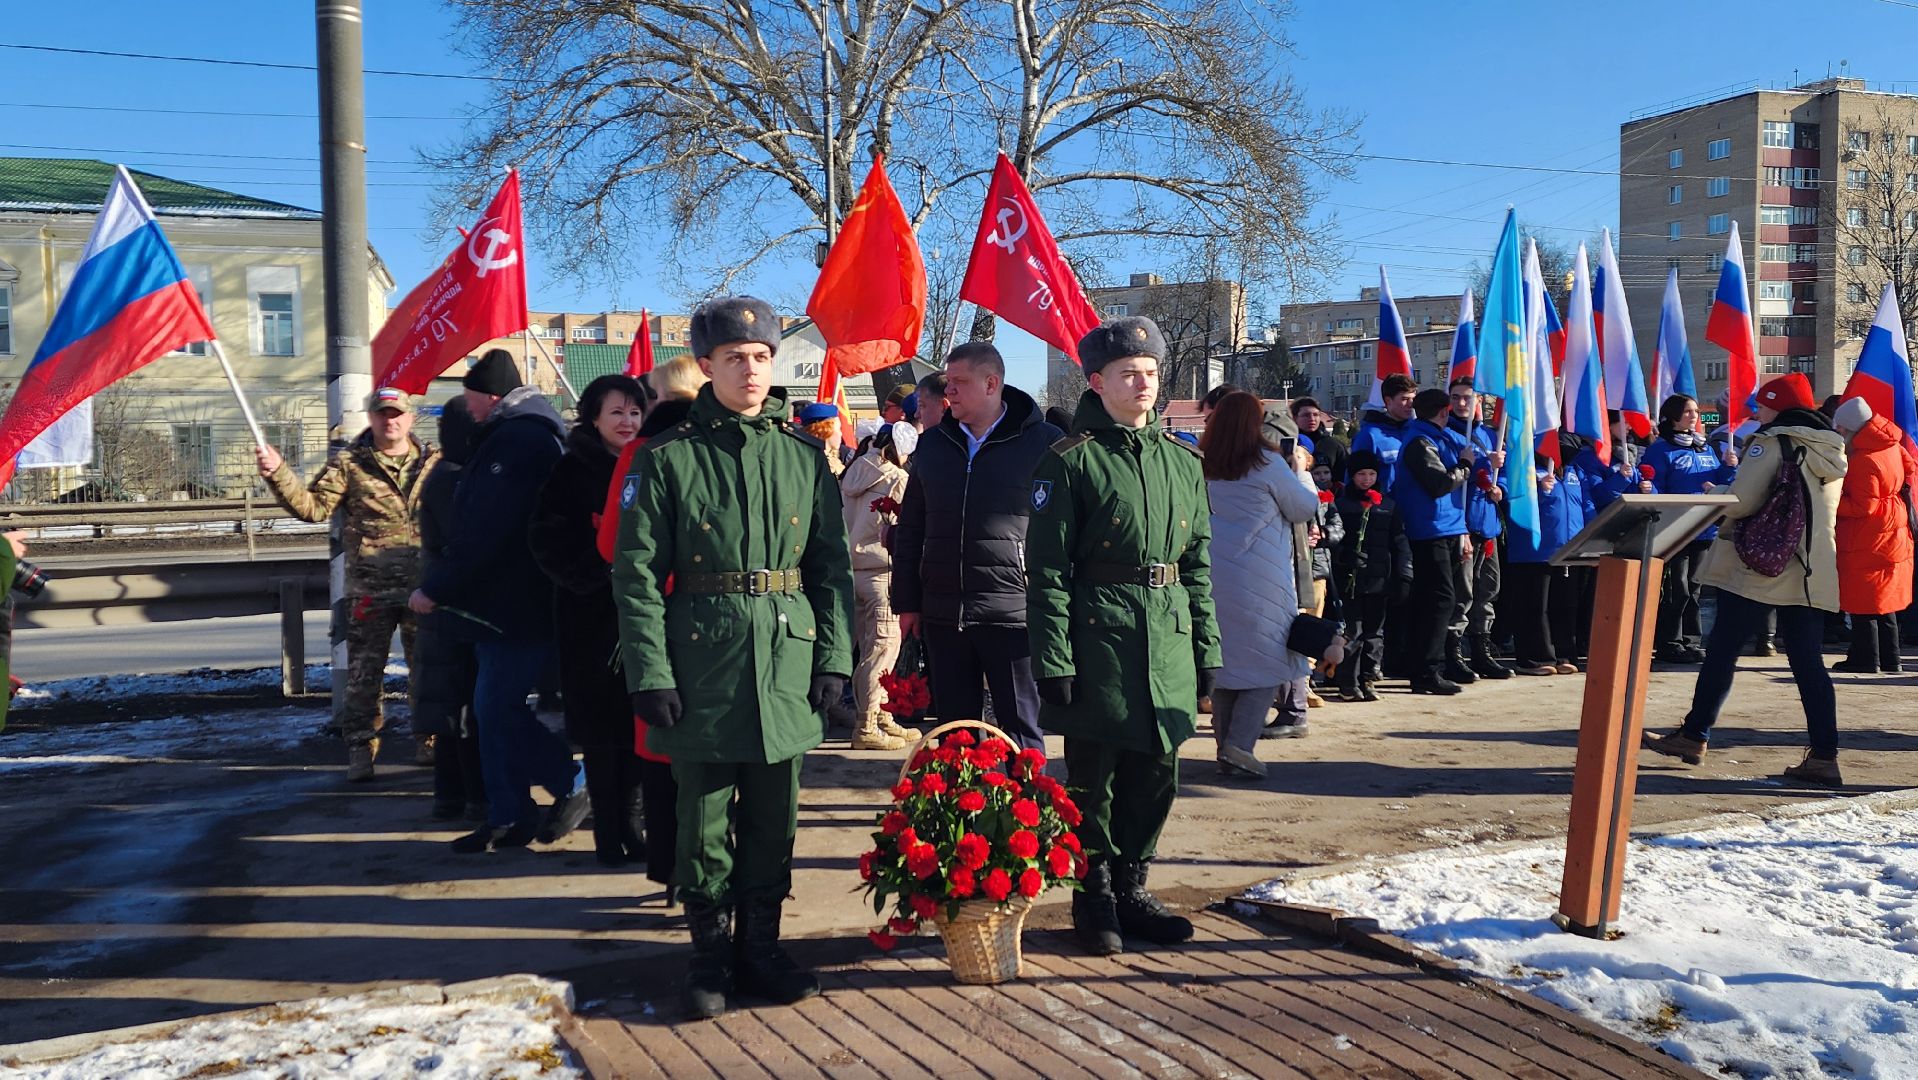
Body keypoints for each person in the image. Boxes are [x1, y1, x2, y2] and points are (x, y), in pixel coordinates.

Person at [611, 296, 853, 1019]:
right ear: (709, 366)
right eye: (735, 358)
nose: (750, 369)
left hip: (785, 658)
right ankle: (709, 956)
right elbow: (636, 574)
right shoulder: (668, 457)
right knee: (704, 820)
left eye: (761, 357)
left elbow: (830, 569)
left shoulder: (803, 456)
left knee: (776, 817)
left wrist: (833, 658)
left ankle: (762, 949)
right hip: (702, 664)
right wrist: (649, 672)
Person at [1026, 316, 1218, 956]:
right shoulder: (1071, 461)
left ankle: (1135, 886)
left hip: (1166, 637)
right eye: (1129, 374)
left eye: (1151, 373)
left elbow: (1197, 564)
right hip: (1098, 638)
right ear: (1096, 381)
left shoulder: (1182, 462)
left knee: (1156, 771)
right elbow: (1047, 572)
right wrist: (1053, 656)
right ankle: (1095, 894)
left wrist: (1206, 649)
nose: (1143, 383)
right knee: (1095, 779)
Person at [412, 349, 589, 853]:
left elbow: (487, 530)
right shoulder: (525, 433)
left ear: (489, 395)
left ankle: (566, 780)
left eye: (468, 396)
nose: (465, 407)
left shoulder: (515, 440)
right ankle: (508, 814)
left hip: (514, 601)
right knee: (490, 711)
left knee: (495, 709)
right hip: (509, 599)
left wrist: (436, 586)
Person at [1643, 373, 1848, 786]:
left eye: (1762, 404)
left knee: (1722, 650)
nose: (1756, 411)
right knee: (1808, 664)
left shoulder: (1771, 441)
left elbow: (1743, 501)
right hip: (1809, 568)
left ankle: (1694, 734)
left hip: (1760, 565)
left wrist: (1714, 493)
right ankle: (1825, 756)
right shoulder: (1832, 446)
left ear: (1779, 406)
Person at [260, 385, 438, 782]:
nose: (389, 421)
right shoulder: (351, 465)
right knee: (364, 676)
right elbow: (313, 508)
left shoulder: (433, 463)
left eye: (396, 414)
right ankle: (361, 748)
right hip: (369, 590)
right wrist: (278, 474)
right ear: (371, 418)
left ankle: (429, 738)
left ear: (410, 418)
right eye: (381, 414)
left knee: (427, 669)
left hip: (423, 591)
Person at [892, 342, 1061, 750]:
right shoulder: (933, 445)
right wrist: (908, 603)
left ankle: (1024, 811)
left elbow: (1059, 534)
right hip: (944, 613)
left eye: (959, 382)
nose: (948, 391)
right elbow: (912, 526)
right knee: (955, 733)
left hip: (1014, 615)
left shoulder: (1044, 443)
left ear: (991, 383)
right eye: (948, 382)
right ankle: (961, 811)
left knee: (1020, 729)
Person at [531, 374, 652, 868]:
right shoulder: (571, 469)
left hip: (643, 620)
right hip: (591, 622)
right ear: (594, 418)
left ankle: (634, 825)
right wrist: (596, 570)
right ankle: (608, 833)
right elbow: (545, 539)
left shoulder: (649, 463)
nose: (627, 422)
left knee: (640, 734)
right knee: (603, 739)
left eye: (635, 412)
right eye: (616, 413)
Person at [1201, 391, 1320, 779]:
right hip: (1262, 578)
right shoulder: (1267, 462)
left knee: (1225, 668)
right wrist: (1301, 471)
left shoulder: (1201, 463)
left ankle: (1225, 748)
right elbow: (1302, 507)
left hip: (1211, 577)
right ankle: (1240, 746)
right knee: (1265, 667)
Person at [413, 396, 484, 820]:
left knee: (452, 704)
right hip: (457, 605)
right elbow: (468, 546)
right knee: (465, 707)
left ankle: (450, 795)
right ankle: (467, 794)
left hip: (442, 603)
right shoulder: (457, 479)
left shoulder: (444, 474)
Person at [840, 421, 919, 751]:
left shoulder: (853, 470)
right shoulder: (896, 478)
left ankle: (878, 714)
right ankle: (868, 723)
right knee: (883, 650)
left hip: (852, 570)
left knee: (868, 651)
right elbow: (903, 528)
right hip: (881, 571)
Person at [1641, 394, 1738, 664]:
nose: (1694, 416)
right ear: (1673, 416)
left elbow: (1718, 480)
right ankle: (1669, 641)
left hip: (1704, 528)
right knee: (1677, 588)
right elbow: (1654, 483)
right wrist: (1652, 496)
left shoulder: (1704, 448)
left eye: (1695, 411)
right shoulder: (1660, 449)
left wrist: (1729, 469)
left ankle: (1691, 640)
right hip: (1675, 528)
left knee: (1695, 587)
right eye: (1688, 412)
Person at [1393, 388, 1475, 695]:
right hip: (1429, 528)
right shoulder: (1420, 441)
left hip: (1443, 526)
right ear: (1442, 411)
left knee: (1433, 599)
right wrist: (1465, 466)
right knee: (1440, 599)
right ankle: (1427, 669)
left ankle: (1422, 667)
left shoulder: (1432, 438)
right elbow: (1439, 483)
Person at [1830, 397, 1916, 674]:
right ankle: (1892, 659)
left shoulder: (1864, 458)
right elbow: (1911, 468)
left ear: (1852, 429)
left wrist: (1831, 501)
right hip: (1893, 528)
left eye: (1842, 430)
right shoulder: (1891, 445)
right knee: (1885, 601)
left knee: (1863, 601)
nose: (1840, 436)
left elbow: (1862, 506)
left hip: (1867, 536)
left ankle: (1866, 659)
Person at [1503, 436, 1590, 676]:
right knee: (1534, 606)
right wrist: (1535, 490)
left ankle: (1563, 654)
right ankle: (1534, 658)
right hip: (1533, 550)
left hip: (1568, 549)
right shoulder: (1524, 468)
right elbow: (1505, 490)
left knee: (1564, 606)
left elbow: (1586, 504)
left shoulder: (1573, 471)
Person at [1331, 450, 1410, 700]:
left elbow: (1400, 543)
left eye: (1371, 474)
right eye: (1361, 474)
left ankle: (1368, 678)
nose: (1366, 479)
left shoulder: (1387, 505)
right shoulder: (1341, 505)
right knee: (1352, 631)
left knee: (1374, 632)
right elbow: (1334, 542)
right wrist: (1345, 557)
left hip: (1379, 579)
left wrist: (1404, 575)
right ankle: (1347, 681)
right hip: (1351, 581)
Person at [1447, 379, 1511, 680]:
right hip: (1463, 523)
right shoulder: (1447, 436)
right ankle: (1454, 652)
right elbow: (1450, 481)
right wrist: (1479, 465)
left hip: (1488, 524)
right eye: (1456, 398)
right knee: (1464, 591)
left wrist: (1502, 488)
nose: (1462, 404)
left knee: (1488, 588)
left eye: (1468, 399)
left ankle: (1482, 650)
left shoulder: (1488, 435)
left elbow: (1505, 477)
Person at [1348, 375, 1417, 492]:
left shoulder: (1416, 431)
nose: (1411, 404)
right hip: (1385, 506)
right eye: (1404, 399)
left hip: (1415, 505)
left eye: (1413, 399)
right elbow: (1354, 477)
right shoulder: (1370, 436)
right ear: (1388, 401)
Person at [1290, 396, 1347, 481]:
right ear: (1294, 418)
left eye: (1316, 415)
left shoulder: (1333, 445)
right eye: (1306, 415)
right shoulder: (1288, 444)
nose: (1312, 419)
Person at [796, 402, 849, 477]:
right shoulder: (810, 462)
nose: (841, 434)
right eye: (838, 429)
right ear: (825, 432)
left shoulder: (838, 458)